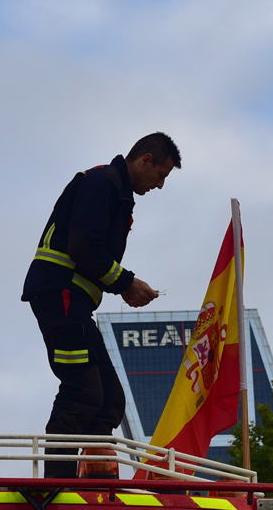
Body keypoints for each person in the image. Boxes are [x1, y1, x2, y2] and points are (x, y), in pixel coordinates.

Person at [22, 133, 177, 475]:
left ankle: (92, 481)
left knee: (108, 400)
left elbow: (90, 254)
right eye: (161, 175)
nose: (160, 185)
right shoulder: (102, 183)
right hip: (61, 296)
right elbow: (84, 248)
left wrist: (121, 286)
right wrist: (126, 283)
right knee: (82, 392)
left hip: (72, 302)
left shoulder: (113, 189)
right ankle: (57, 487)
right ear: (145, 160)